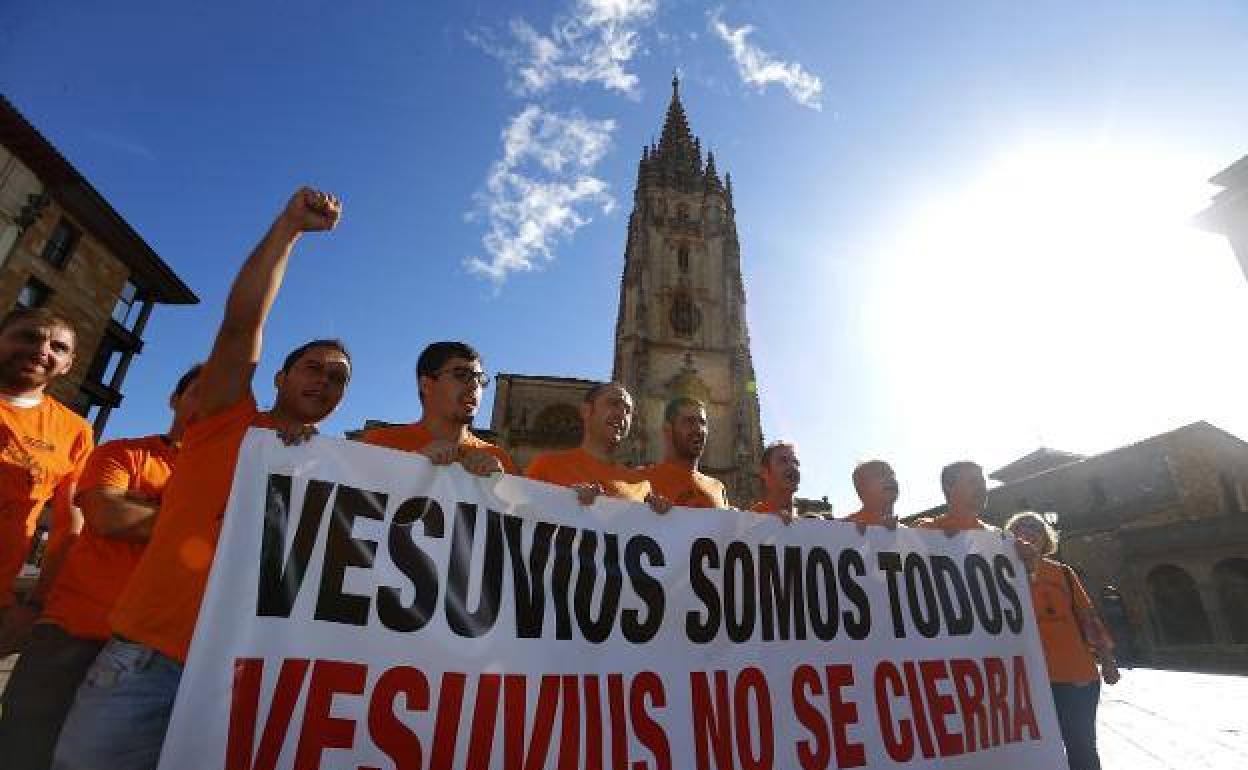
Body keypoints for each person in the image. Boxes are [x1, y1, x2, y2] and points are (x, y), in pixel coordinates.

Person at [52, 187, 350, 770]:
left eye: (338, 378)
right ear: (281, 377)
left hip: (248, 678)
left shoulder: (337, 470)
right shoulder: (223, 421)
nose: (324, 380)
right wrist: (288, 230)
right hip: (150, 662)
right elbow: (241, 327)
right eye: (312, 368)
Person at [0, 365, 200, 770]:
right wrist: (198, 523)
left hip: (152, 651)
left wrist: (150, 513)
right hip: (75, 632)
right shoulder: (122, 452)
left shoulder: (228, 476)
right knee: (23, 750)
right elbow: (107, 515)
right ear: (174, 399)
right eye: (198, 391)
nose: (208, 402)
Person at [0, 308, 94, 657]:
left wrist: (36, 603)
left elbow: (70, 524)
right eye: (28, 336)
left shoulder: (75, 431)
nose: (42, 351)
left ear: (68, 364)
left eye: (57, 347)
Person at [1006, 512, 1119, 770]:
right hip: (1028, 680)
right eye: (1020, 527)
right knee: (1040, 748)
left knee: (1081, 745)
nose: (1029, 530)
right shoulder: (1001, 572)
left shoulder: (1063, 573)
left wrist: (1108, 661)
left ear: (1046, 537)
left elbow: (1088, 618)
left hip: (1075, 675)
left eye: (1036, 527)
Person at [359, 341, 515, 476]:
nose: (475, 385)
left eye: (480, 379)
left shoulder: (499, 459)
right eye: (461, 374)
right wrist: (412, 464)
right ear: (426, 385)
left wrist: (501, 487)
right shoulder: (379, 444)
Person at [526, 382, 670, 511]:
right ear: (586, 411)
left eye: (628, 410)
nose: (622, 414)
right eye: (613, 403)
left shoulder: (642, 485)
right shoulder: (547, 466)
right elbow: (517, 519)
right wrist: (563, 502)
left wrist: (663, 517)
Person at [642, 397, 729, 509]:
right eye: (689, 421)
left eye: (702, 423)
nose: (698, 429)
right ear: (667, 429)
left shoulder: (718, 488)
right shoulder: (641, 481)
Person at [914, 461, 991, 533]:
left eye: (983, 482)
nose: (982, 487)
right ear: (949, 487)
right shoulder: (925, 532)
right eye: (973, 481)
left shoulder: (995, 536)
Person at [749, 441, 802, 523]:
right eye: (783, 461)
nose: (793, 467)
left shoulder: (810, 523)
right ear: (765, 473)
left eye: (795, 462)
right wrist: (771, 522)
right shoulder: (752, 518)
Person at [845, 460, 901, 532]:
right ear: (861, 488)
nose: (890, 478)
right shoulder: (841, 528)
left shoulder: (910, 534)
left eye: (892, 475)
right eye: (880, 474)